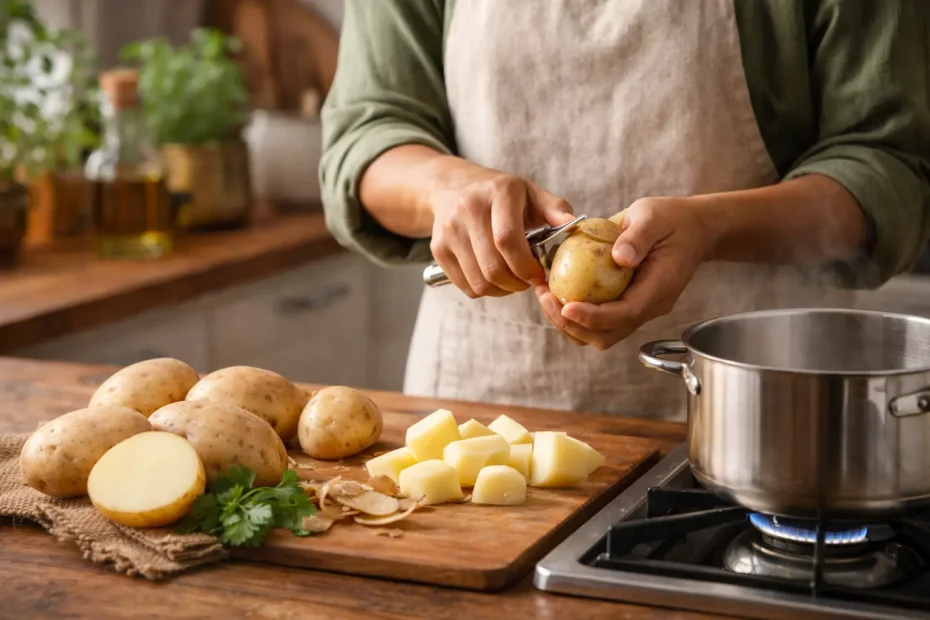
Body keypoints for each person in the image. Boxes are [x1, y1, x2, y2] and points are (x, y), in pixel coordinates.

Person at [319, 0, 930, 420]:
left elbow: (888, 168)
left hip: (755, 407)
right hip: (483, 414)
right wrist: (445, 189)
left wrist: (710, 227)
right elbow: (366, 135)